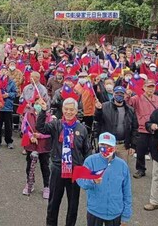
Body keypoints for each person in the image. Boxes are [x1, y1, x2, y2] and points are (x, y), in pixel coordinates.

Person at [37, 97, 92, 226]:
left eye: (71, 110)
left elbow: (87, 150)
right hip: (58, 168)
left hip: (75, 170)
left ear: (76, 111)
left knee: (73, 205)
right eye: (66, 109)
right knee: (53, 203)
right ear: (62, 110)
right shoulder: (57, 124)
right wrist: (43, 111)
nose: (68, 112)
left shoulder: (82, 128)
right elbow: (41, 128)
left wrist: (86, 170)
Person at [77, 132, 132, 226]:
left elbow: (127, 191)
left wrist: (125, 216)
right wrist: (92, 181)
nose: (105, 148)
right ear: (98, 145)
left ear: (114, 147)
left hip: (115, 212)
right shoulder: (90, 161)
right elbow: (80, 180)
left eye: (109, 145)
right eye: (102, 145)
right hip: (95, 211)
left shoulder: (122, 165)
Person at [127, 79, 158, 178]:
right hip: (142, 129)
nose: (150, 89)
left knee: (156, 152)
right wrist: (127, 94)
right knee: (141, 151)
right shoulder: (137, 98)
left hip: (155, 129)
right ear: (144, 87)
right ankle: (140, 169)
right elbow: (127, 103)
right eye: (148, 87)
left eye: (152, 87)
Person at [94, 86, 138, 162]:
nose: (119, 95)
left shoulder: (130, 110)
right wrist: (98, 110)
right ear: (113, 94)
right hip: (107, 144)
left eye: (121, 94)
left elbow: (134, 128)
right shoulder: (104, 106)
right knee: (105, 167)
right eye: (117, 93)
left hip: (123, 145)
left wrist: (133, 146)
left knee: (121, 169)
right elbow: (97, 120)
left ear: (125, 95)